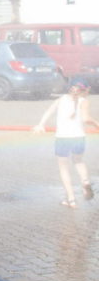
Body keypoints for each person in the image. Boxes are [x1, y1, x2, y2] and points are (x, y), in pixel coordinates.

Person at [33, 78, 99, 207]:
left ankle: (71, 199)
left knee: (64, 169)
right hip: (78, 138)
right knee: (79, 161)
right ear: (84, 90)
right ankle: (85, 182)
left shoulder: (61, 99)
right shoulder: (83, 101)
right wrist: (96, 123)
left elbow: (49, 112)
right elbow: (86, 119)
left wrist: (41, 125)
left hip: (62, 138)